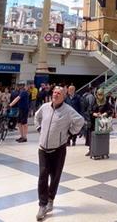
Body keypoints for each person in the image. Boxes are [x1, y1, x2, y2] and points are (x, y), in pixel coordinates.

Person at [34, 86, 84, 221]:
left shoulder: (68, 110)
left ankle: (51, 198)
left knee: (55, 176)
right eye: (54, 92)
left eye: (59, 93)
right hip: (43, 149)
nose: (56, 95)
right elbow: (36, 116)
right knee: (43, 175)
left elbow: (80, 121)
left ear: (63, 96)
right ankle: (42, 204)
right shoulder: (44, 107)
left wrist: (70, 133)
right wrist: (39, 129)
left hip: (59, 149)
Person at [86, 89, 113, 156]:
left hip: (102, 123)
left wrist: (104, 114)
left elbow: (110, 111)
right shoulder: (94, 101)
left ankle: (101, 150)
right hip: (93, 123)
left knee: (102, 137)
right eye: (99, 95)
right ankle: (91, 150)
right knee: (92, 137)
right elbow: (89, 110)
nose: (100, 96)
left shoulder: (106, 102)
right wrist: (94, 114)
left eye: (101, 95)